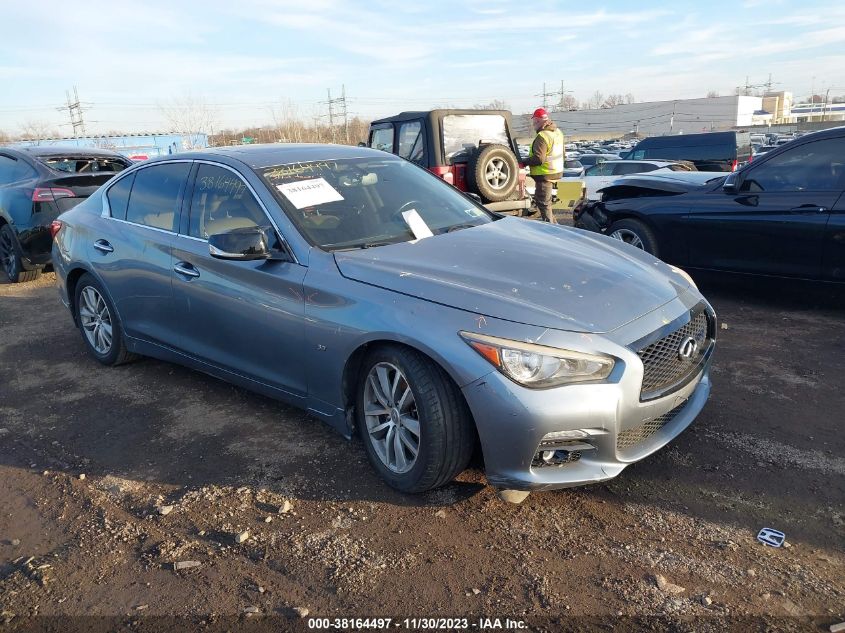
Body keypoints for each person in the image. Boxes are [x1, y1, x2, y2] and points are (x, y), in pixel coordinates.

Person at [523, 108, 564, 224]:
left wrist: (524, 161)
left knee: (543, 203)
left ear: (537, 120)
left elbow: (539, 159)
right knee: (546, 203)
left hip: (545, 174)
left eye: (534, 121)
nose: (533, 124)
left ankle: (553, 231)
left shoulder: (543, 136)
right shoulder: (557, 132)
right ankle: (556, 227)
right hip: (555, 170)